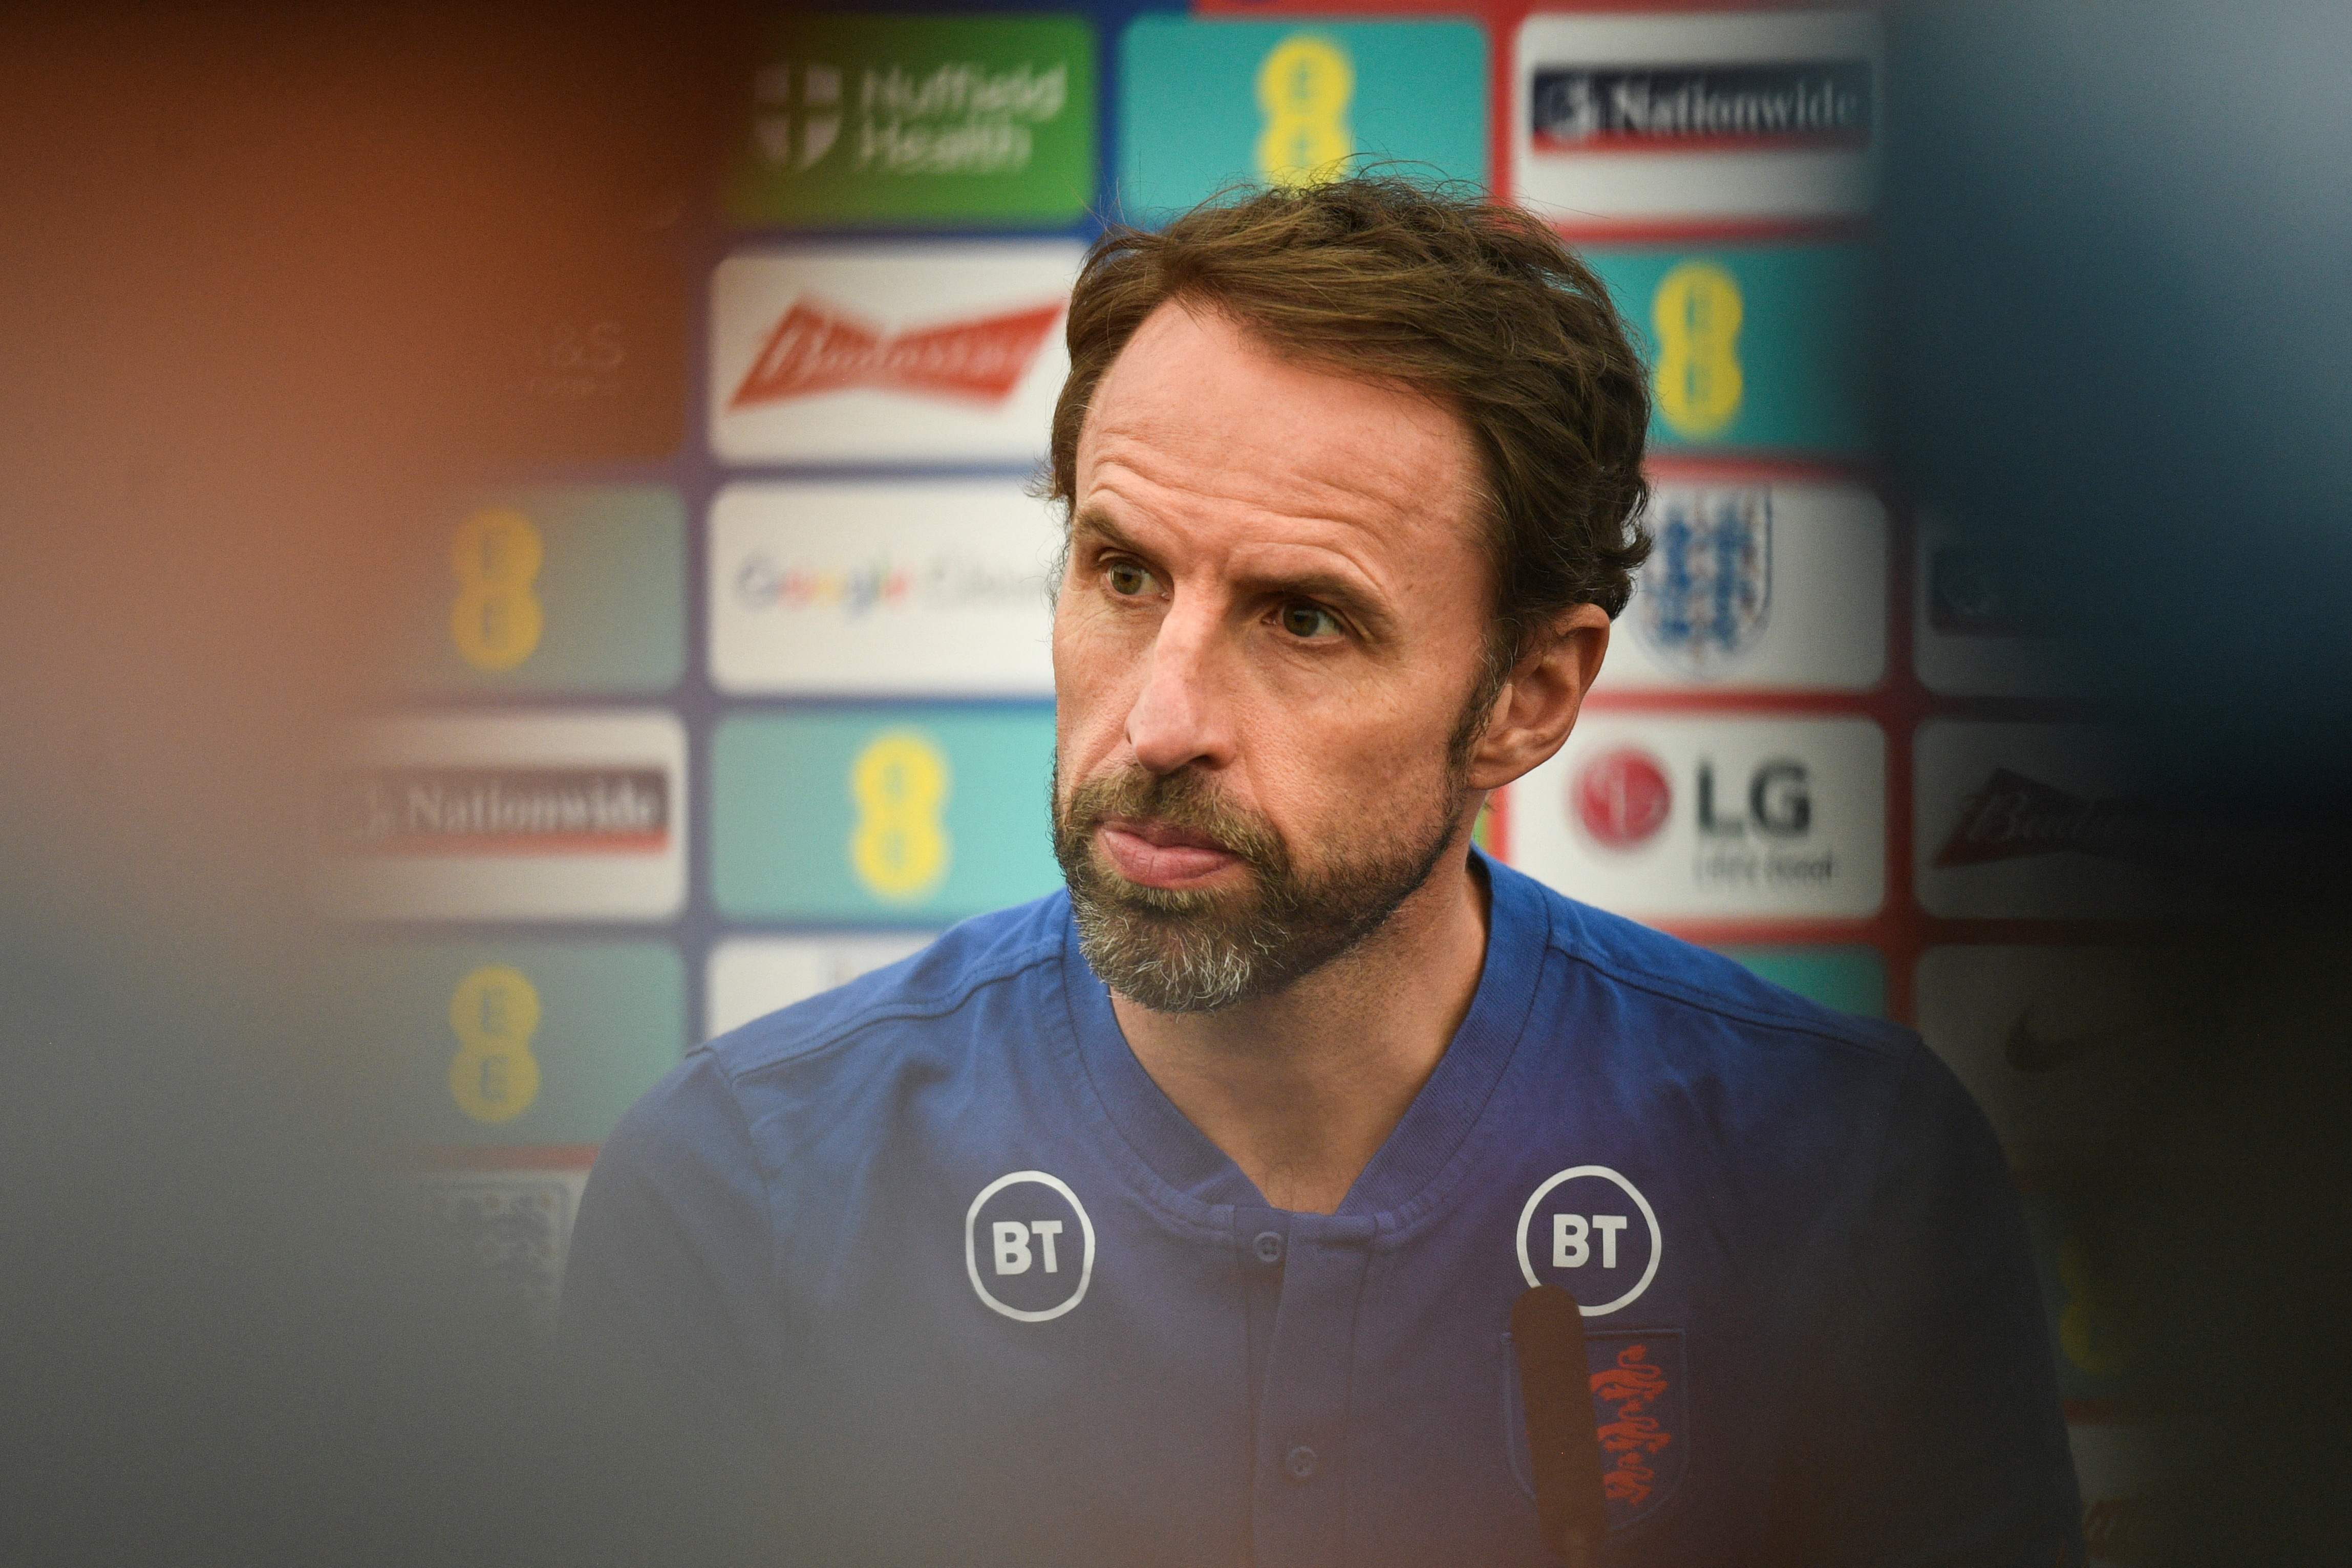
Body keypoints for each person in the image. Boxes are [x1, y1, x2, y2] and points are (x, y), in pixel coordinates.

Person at [561, 178, 2082, 1567]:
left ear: (1527, 699)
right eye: (1122, 574)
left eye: (1303, 619)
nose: (1159, 722)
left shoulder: (1844, 1174)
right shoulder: (742, 1188)